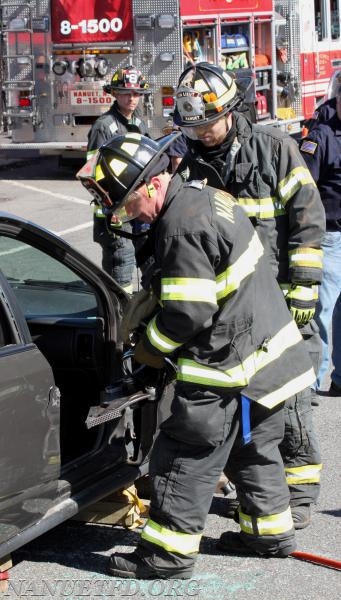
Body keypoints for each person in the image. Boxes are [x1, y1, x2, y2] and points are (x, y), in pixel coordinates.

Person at [77, 131, 317, 579]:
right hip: (269, 356)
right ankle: (269, 535)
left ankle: (165, 556)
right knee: (253, 447)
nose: (129, 216)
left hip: (228, 365)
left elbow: (188, 314)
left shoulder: (182, 225)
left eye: (128, 204)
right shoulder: (202, 197)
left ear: (150, 185)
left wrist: (148, 351)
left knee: (184, 454)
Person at [173, 62, 325, 529]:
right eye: (192, 126)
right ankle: (258, 488)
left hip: (279, 301)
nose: (201, 134)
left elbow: (306, 218)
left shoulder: (273, 150)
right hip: (231, 308)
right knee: (242, 407)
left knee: (290, 400)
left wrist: (303, 289)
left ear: (231, 110)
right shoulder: (188, 158)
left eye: (207, 123)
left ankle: (297, 495)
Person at [87, 66, 150, 293]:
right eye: (125, 93)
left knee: (149, 258)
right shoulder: (103, 127)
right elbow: (91, 172)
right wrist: (111, 204)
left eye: (135, 94)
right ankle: (120, 317)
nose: (131, 99)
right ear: (114, 93)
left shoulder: (140, 123)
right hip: (115, 212)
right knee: (121, 265)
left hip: (139, 208)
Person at [299, 84, 341, 396]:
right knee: (324, 311)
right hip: (331, 236)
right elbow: (303, 186)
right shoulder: (321, 136)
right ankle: (312, 382)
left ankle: (339, 380)